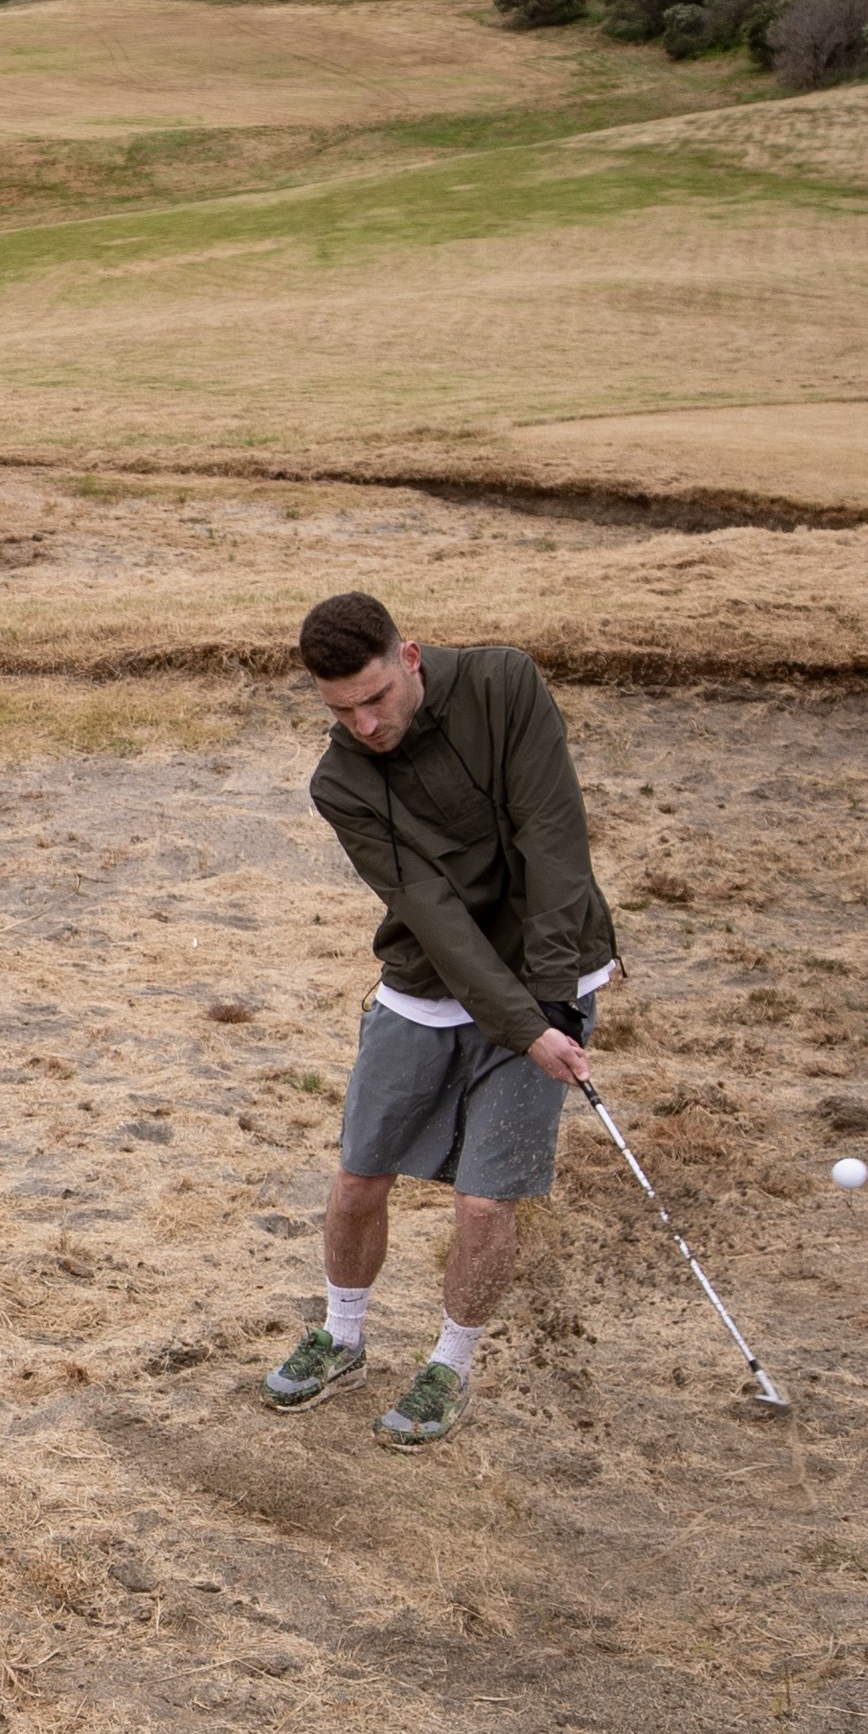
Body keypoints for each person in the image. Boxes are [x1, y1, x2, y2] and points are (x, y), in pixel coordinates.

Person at [258, 590, 621, 1447]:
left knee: (484, 1205)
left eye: (376, 698)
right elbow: (433, 913)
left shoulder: (505, 684)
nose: (365, 725)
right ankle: (342, 1337)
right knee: (358, 1179)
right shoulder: (340, 782)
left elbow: (553, 836)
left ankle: (450, 1365)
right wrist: (521, 1024)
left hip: (548, 973)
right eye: (341, 711)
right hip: (426, 985)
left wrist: (552, 999)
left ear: (410, 657)